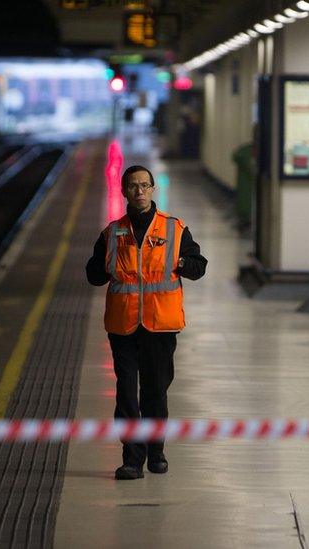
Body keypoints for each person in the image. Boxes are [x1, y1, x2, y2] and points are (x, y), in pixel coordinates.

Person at [85, 165, 207, 480]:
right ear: (124, 191)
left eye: (144, 185)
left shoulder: (174, 229)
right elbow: (93, 274)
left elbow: (198, 266)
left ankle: (156, 451)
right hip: (123, 325)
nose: (139, 191)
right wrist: (105, 269)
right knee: (126, 393)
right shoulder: (112, 232)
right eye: (133, 186)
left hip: (160, 325)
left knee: (155, 391)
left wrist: (181, 262)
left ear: (153, 189)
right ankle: (132, 458)